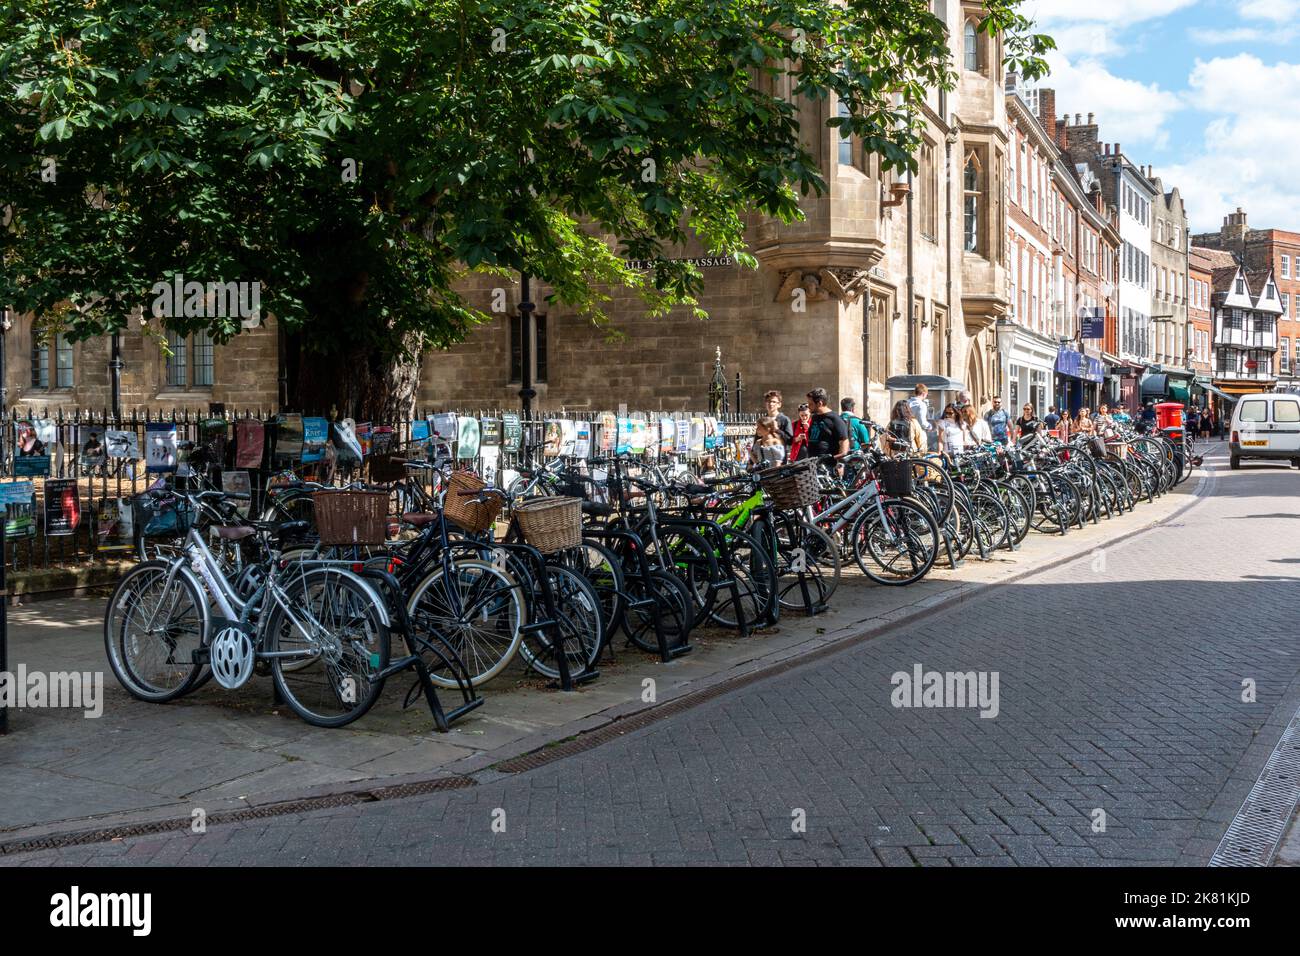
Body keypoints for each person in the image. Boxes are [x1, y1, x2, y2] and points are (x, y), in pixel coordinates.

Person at [803, 388, 850, 464]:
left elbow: (844, 441)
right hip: (813, 463)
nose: (808, 406)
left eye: (811, 404)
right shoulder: (814, 417)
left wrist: (840, 464)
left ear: (819, 403)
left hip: (828, 465)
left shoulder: (835, 419)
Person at [908, 383, 935, 451]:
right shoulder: (921, 405)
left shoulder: (907, 402)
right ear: (923, 393)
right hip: (918, 434)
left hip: (907, 433)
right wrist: (930, 426)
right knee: (920, 456)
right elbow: (922, 422)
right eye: (926, 394)